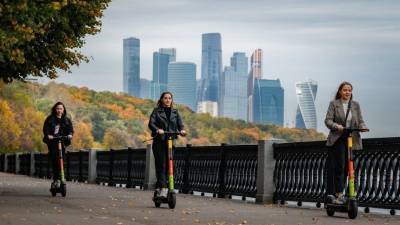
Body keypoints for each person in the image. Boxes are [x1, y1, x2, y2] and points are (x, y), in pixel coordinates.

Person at [325, 81, 368, 203]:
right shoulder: (334, 104)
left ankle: (350, 193)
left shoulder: (355, 105)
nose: (347, 92)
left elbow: (360, 120)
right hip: (338, 138)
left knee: (350, 168)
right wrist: (336, 125)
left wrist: (363, 126)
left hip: (352, 138)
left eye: (349, 90)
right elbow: (327, 120)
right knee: (340, 166)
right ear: (340, 91)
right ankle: (339, 194)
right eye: (345, 90)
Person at [148, 92, 186, 198]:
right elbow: (151, 124)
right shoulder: (156, 111)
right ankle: (163, 188)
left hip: (170, 142)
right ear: (161, 100)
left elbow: (180, 124)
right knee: (162, 165)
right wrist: (157, 130)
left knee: (170, 166)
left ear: (172, 100)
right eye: (165, 98)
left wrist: (182, 130)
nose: (168, 100)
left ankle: (164, 185)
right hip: (159, 142)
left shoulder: (175, 112)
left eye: (170, 98)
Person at [43, 102, 74, 188]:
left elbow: (70, 130)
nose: (59, 110)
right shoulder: (50, 119)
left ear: (63, 110)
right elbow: (46, 129)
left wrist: (70, 134)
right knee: (55, 160)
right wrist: (48, 135)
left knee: (61, 160)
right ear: (55, 109)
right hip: (53, 142)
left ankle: (61, 178)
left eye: (61, 108)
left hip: (62, 141)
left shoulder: (67, 120)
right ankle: (56, 179)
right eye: (57, 108)